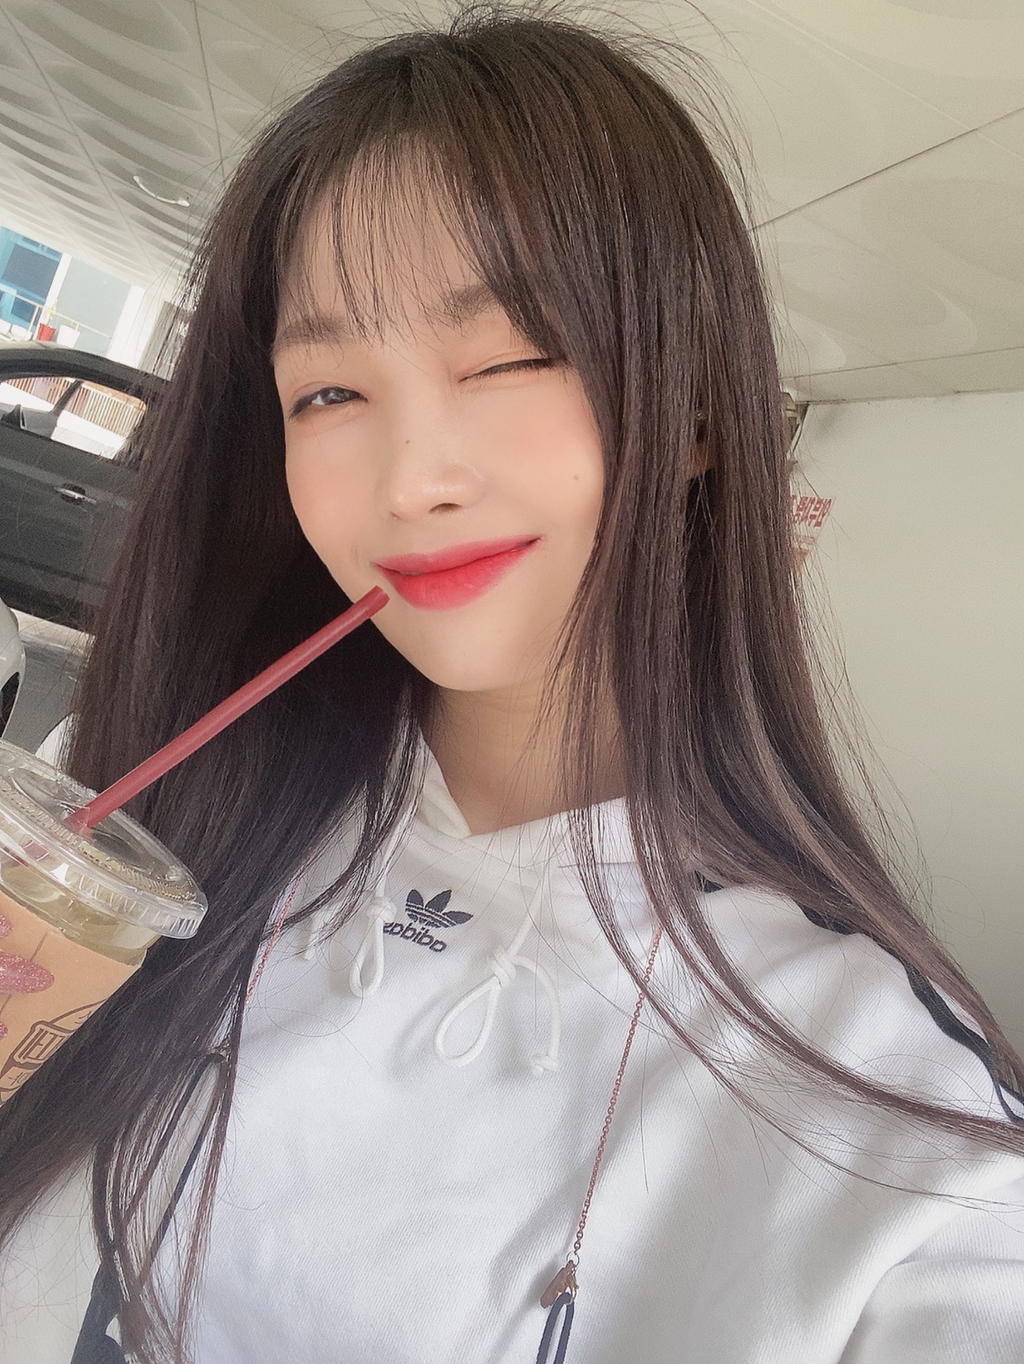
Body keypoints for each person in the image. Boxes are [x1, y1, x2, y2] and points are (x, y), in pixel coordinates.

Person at [2, 5, 1023, 1362]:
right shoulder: (136, 817)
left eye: (510, 359)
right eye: (327, 394)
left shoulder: (896, 1128)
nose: (412, 478)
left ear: (698, 413)